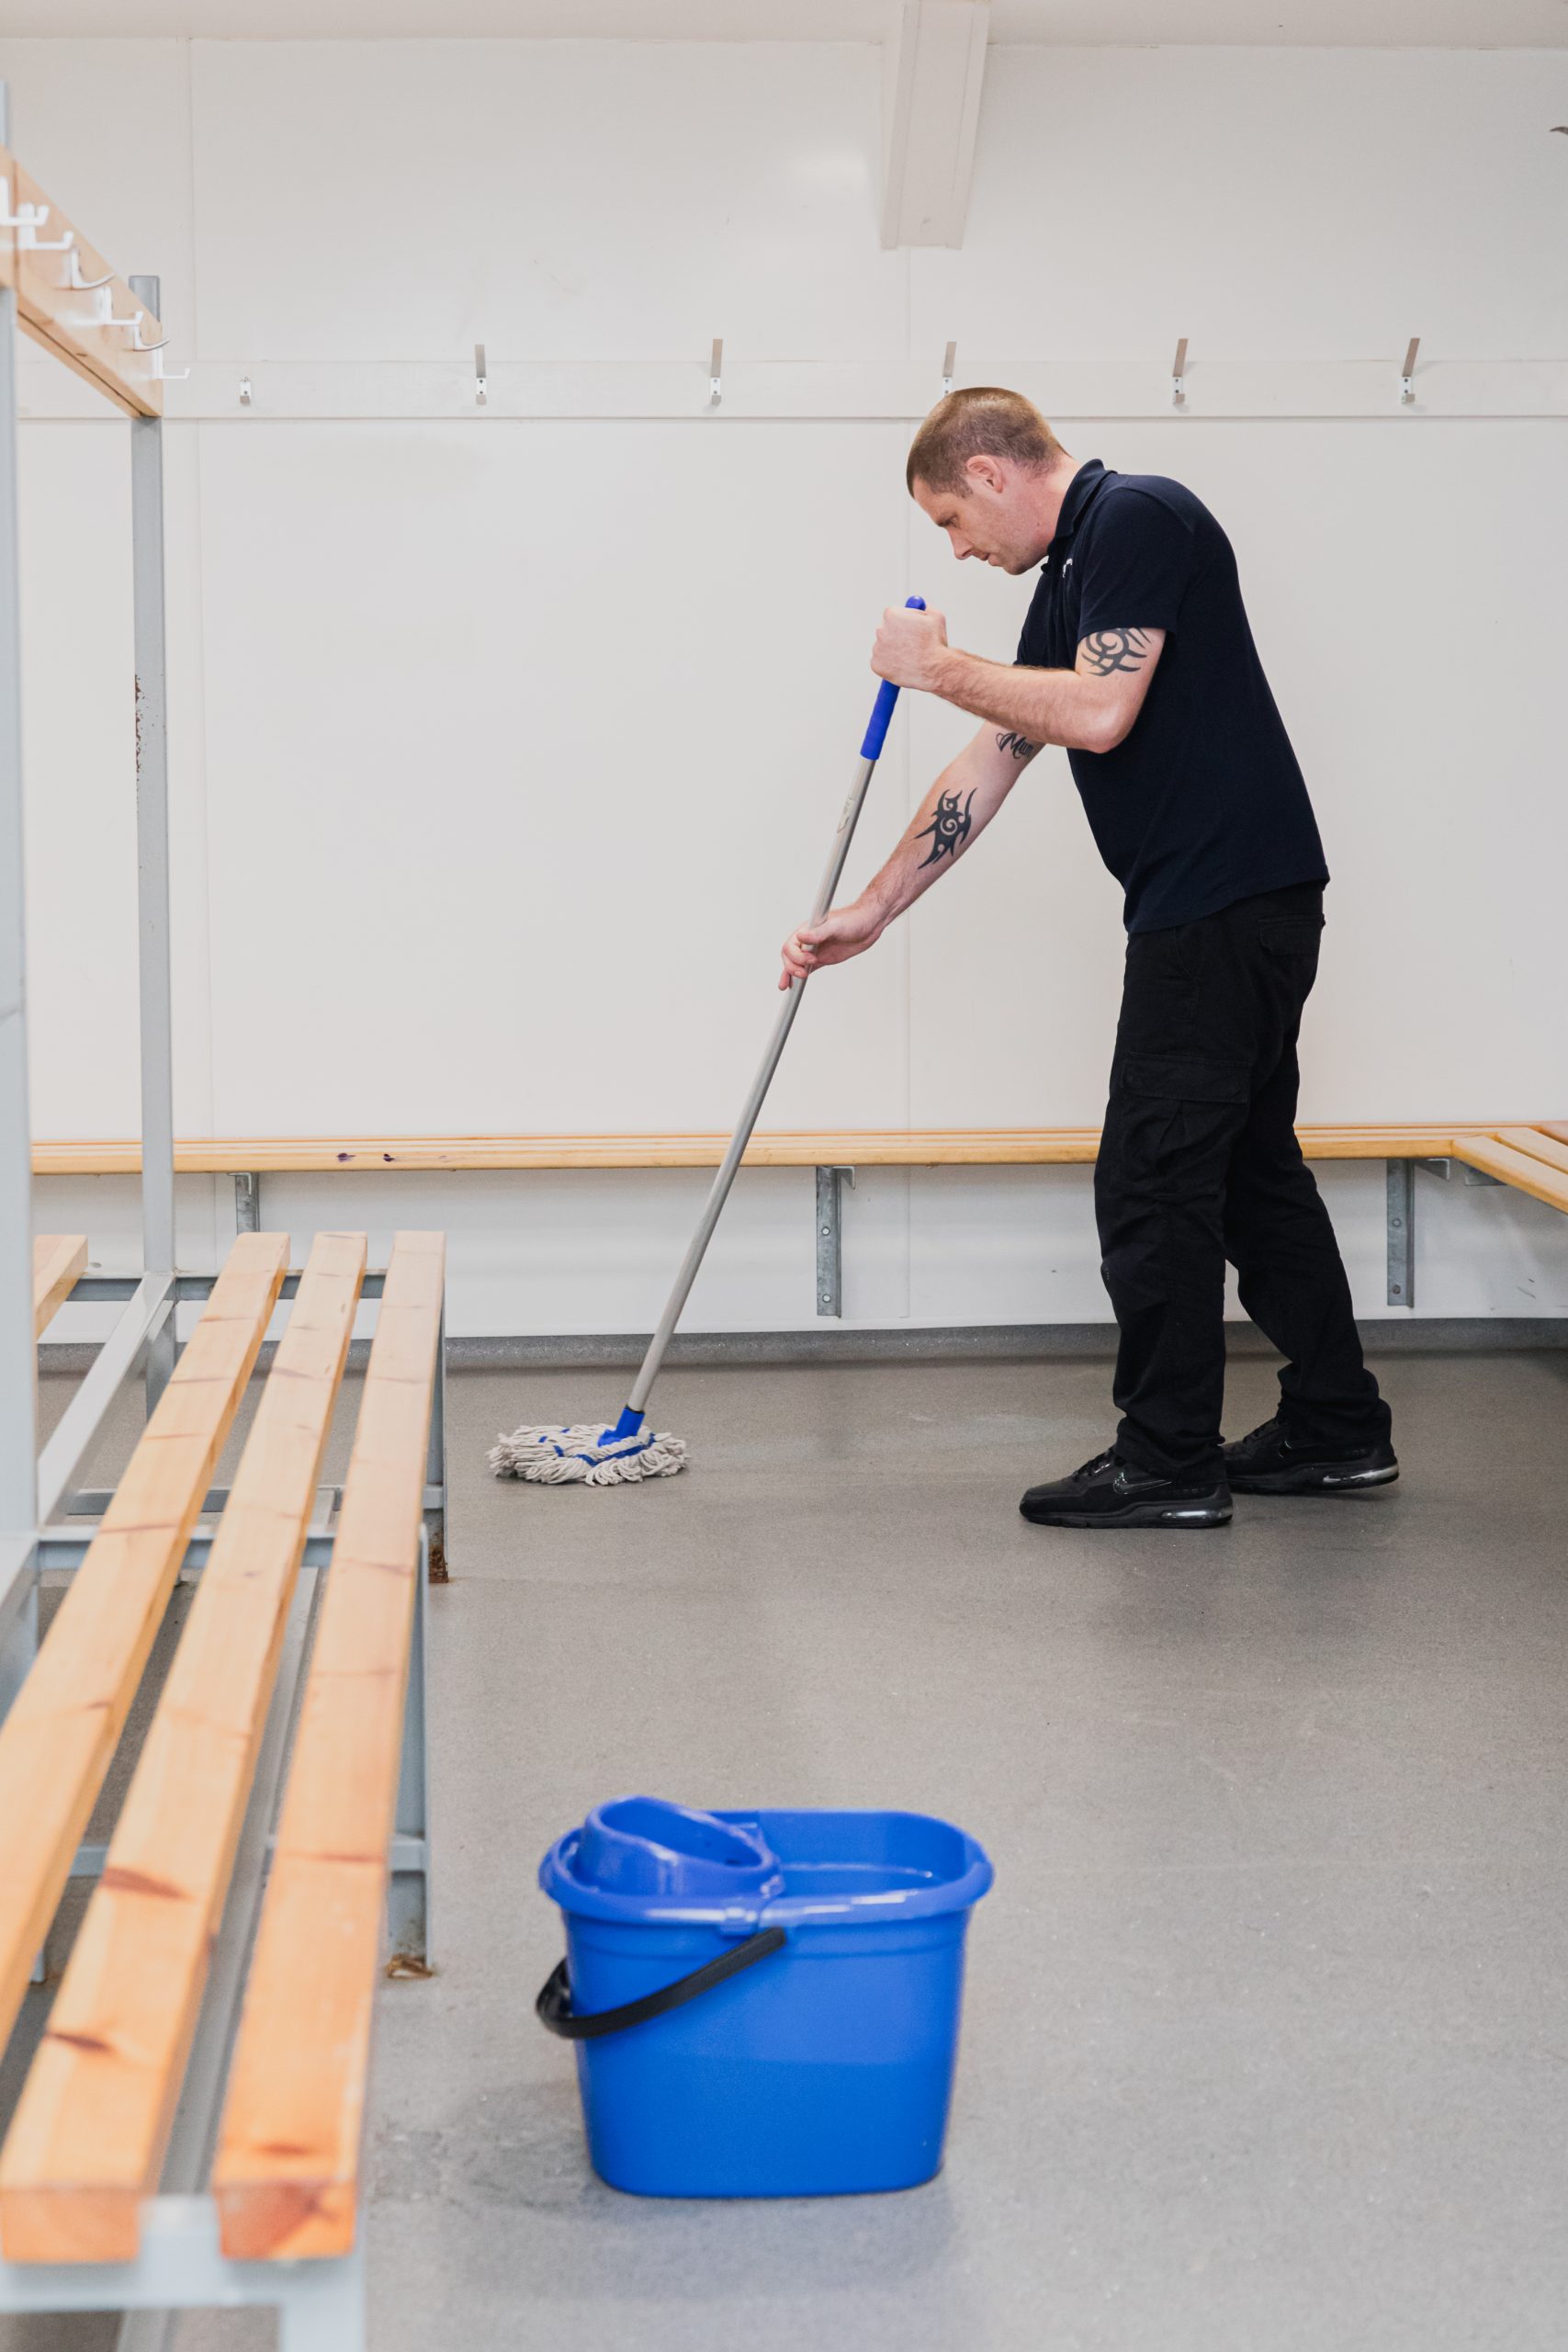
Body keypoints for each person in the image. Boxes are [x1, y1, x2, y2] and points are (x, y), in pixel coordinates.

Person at [778, 388, 1396, 1531]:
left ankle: (1168, 1461)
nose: (958, 548)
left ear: (989, 472)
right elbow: (996, 755)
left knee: (1153, 1179)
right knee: (1250, 1177)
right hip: (1233, 903)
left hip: (1219, 908)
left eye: (951, 520)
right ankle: (1337, 1426)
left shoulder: (1137, 517)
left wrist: (935, 665)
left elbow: (1100, 711)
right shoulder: (1073, 576)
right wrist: (874, 907)